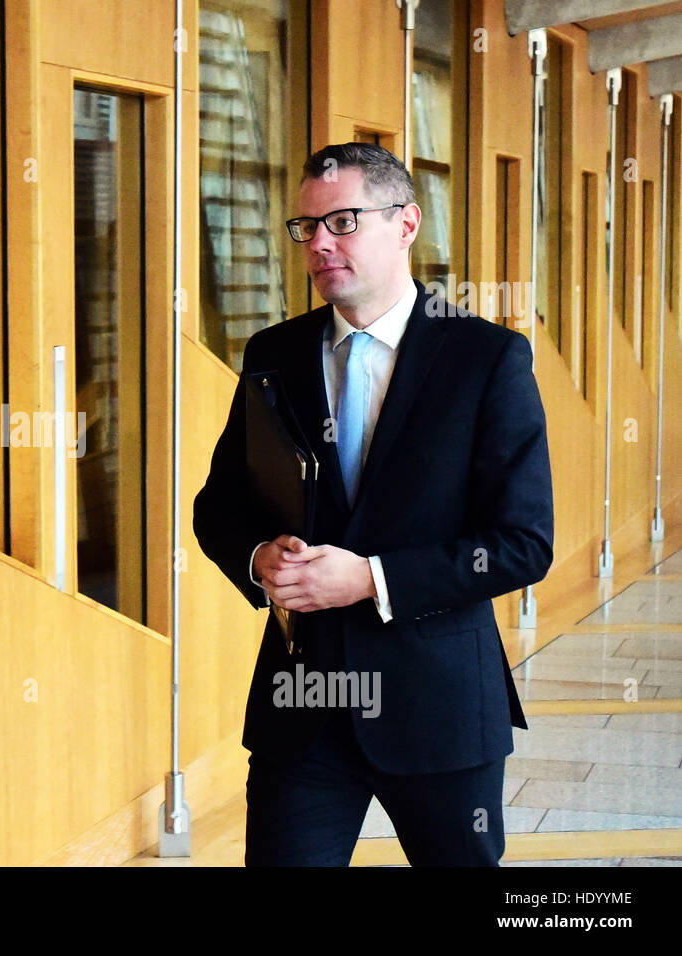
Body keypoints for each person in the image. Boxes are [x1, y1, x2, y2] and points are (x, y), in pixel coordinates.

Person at [192, 142, 554, 866]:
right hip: (303, 712)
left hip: (441, 709)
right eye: (306, 227)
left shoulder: (485, 359)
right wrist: (260, 556)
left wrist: (371, 579)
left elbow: (523, 542)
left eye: (344, 221)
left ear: (407, 223)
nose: (321, 243)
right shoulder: (274, 354)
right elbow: (220, 504)